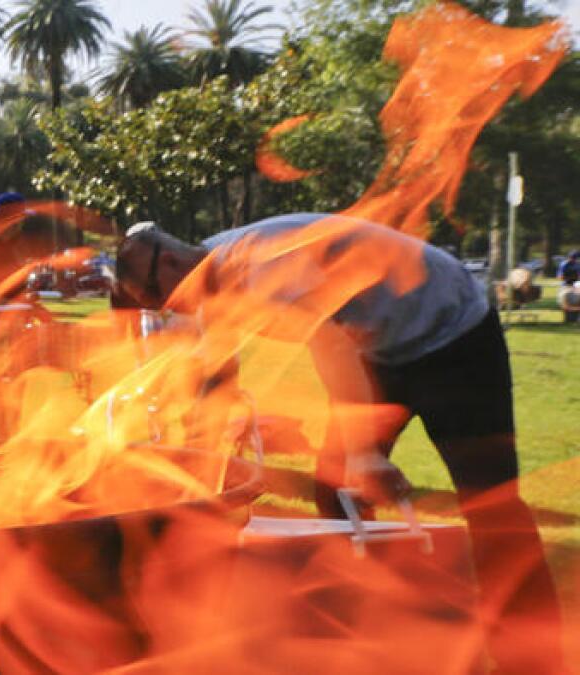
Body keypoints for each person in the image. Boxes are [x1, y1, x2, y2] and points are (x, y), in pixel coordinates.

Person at [113, 214, 565, 674]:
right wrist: (200, 453)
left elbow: (333, 348)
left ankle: (531, 658)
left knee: (490, 505)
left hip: (451, 335)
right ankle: (383, 622)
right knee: (335, 490)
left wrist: (364, 453)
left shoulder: (262, 267)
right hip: (379, 347)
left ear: (169, 261)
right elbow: (217, 376)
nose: (172, 308)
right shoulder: (206, 275)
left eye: (161, 298)